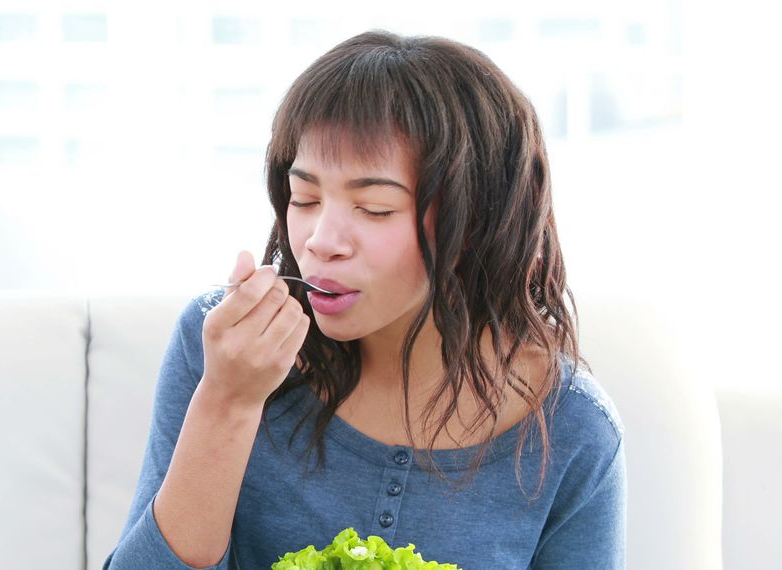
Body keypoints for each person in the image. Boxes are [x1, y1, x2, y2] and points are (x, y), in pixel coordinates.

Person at [104, 30, 625, 569]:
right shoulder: (219, 346)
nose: (320, 241)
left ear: (473, 222)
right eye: (304, 197)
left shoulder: (574, 433)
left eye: (375, 208)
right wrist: (228, 402)